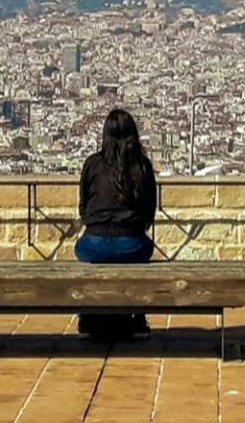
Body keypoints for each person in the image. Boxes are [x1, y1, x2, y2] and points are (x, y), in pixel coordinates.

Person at [75, 107, 157, 339]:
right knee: (140, 257)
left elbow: (83, 207)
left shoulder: (92, 164)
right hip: (131, 244)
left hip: (93, 244)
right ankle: (138, 318)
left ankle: (89, 318)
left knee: (86, 255)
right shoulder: (141, 165)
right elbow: (150, 209)